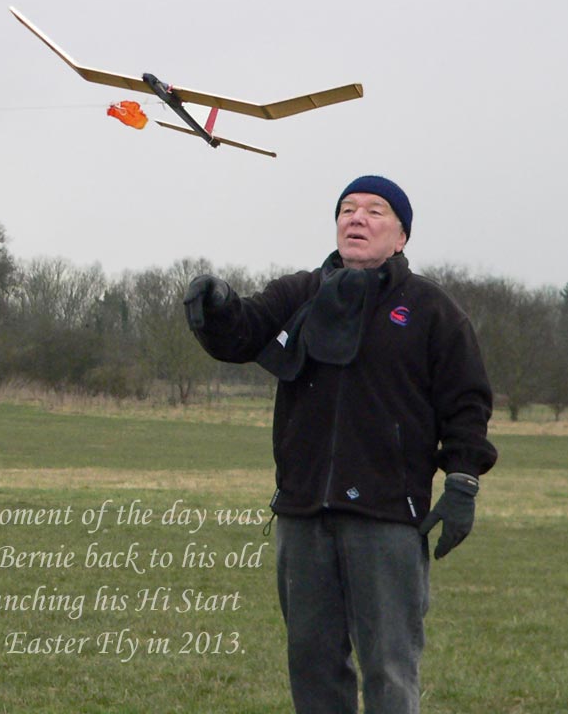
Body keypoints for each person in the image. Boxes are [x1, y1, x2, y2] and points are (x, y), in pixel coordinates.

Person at [183, 175, 496, 714]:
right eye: (347, 209)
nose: (357, 218)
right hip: (303, 513)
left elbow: (467, 402)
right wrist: (217, 305)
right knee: (313, 665)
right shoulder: (300, 294)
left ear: (402, 235)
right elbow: (244, 331)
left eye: (375, 210)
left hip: (387, 517)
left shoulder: (431, 309)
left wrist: (463, 481)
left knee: (389, 669)